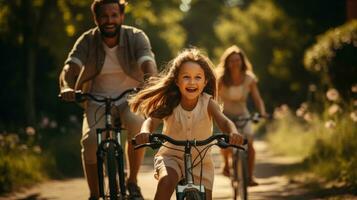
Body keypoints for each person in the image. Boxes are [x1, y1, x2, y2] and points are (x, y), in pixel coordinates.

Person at [58, 0, 157, 199]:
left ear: (121, 16)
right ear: (96, 19)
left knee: (137, 123)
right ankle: (94, 194)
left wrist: (150, 83)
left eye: (114, 15)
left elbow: (147, 62)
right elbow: (70, 68)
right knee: (91, 140)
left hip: (131, 97)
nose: (109, 20)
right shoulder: (87, 40)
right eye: (104, 16)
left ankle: (132, 181)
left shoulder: (136, 37)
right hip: (96, 98)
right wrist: (66, 86)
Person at [129, 48, 244, 200]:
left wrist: (233, 132)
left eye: (197, 77)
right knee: (166, 181)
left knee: (205, 197)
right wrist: (145, 132)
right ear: (177, 81)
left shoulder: (208, 103)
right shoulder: (171, 101)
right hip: (171, 157)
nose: (192, 82)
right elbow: (150, 121)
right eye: (186, 77)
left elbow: (224, 122)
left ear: (205, 82)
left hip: (201, 162)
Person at [216, 45, 267, 186]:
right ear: (226, 62)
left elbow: (257, 98)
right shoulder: (220, 78)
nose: (235, 63)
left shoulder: (249, 78)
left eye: (237, 60)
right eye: (231, 60)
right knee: (225, 143)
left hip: (243, 114)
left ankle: (249, 177)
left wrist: (262, 112)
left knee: (249, 144)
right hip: (225, 115)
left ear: (242, 61)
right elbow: (214, 97)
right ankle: (226, 164)